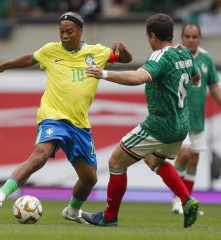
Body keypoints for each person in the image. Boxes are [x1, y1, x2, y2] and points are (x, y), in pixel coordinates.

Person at [0, 12, 132, 224]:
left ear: (80, 32)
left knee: (89, 178)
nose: (64, 36)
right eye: (61, 31)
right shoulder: (50, 51)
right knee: (40, 155)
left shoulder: (96, 52)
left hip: (79, 124)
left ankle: (72, 211)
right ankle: (0, 196)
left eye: (69, 31)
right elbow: (29, 59)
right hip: (53, 117)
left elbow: (125, 59)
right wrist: (3, 66)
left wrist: (124, 52)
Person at [81, 13, 201, 228]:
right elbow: (196, 76)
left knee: (116, 162)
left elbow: (139, 77)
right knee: (154, 160)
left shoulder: (159, 56)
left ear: (152, 36)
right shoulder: (184, 52)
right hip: (181, 125)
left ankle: (109, 216)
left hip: (160, 125)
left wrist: (104, 74)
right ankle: (187, 199)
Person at [164, 23, 221, 215]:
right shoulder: (174, 56)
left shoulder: (206, 58)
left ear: (199, 38)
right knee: (183, 155)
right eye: (188, 36)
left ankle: (187, 204)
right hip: (178, 116)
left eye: (195, 36)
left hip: (197, 119)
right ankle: (177, 199)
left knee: (194, 159)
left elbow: (213, 84)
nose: (191, 40)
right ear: (182, 38)